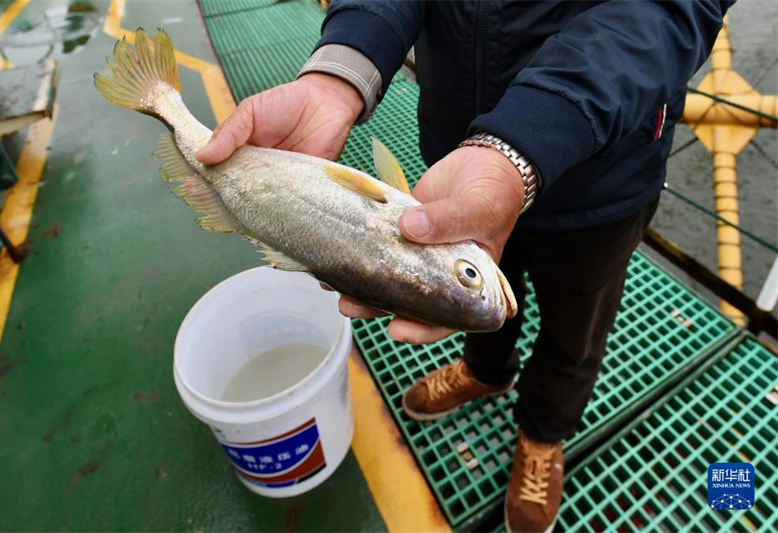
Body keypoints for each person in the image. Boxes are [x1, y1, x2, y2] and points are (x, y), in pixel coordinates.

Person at [196, 1, 733, 530]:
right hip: (459, 150)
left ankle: (544, 433)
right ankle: (486, 372)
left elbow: (670, 9)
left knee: (576, 329)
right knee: (480, 308)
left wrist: (528, 139)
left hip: (601, 176)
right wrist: (342, 70)